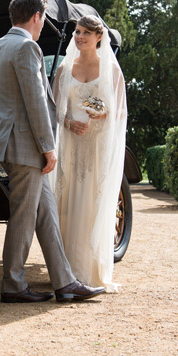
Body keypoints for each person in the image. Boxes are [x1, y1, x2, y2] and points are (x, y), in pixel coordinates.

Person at [0, 0, 105, 303]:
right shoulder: (27, 47)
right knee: (23, 217)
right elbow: (36, 101)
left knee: (46, 214)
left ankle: (65, 283)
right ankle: (13, 285)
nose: (43, 26)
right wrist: (48, 148)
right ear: (36, 17)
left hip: (5, 141)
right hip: (26, 146)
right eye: (43, 20)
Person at [52, 15, 127, 292]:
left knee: (92, 202)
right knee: (67, 203)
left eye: (85, 32)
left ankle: (90, 270)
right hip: (70, 143)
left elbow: (120, 111)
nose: (79, 36)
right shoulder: (65, 68)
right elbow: (55, 107)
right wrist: (70, 123)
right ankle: (65, 270)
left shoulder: (110, 70)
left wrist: (102, 114)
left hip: (96, 145)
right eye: (76, 32)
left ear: (99, 37)